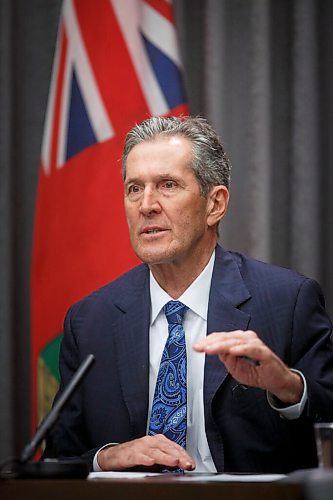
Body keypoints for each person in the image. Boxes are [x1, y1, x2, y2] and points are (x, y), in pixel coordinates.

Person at [44, 115, 333, 474]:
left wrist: (289, 388)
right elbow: (57, 457)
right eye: (134, 188)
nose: (146, 205)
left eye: (167, 185)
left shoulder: (288, 301)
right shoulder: (89, 321)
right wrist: (106, 457)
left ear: (215, 204)